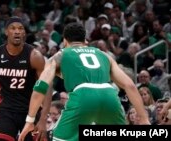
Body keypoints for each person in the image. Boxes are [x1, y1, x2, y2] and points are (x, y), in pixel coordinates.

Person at [19, 22, 150, 141]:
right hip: (110, 95)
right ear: (85, 41)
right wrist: (144, 119)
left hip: (83, 95)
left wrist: (30, 120)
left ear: (64, 41)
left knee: (56, 138)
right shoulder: (104, 55)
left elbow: (41, 86)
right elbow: (130, 85)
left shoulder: (60, 55)